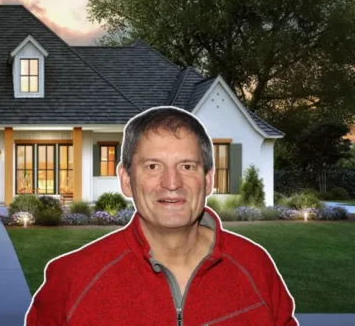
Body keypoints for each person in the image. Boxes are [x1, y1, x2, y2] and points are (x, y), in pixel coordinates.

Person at [25, 106, 297, 326]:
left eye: (187, 166)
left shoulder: (255, 267)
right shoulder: (72, 281)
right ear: (127, 180)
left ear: (208, 180)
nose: (171, 182)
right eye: (153, 166)